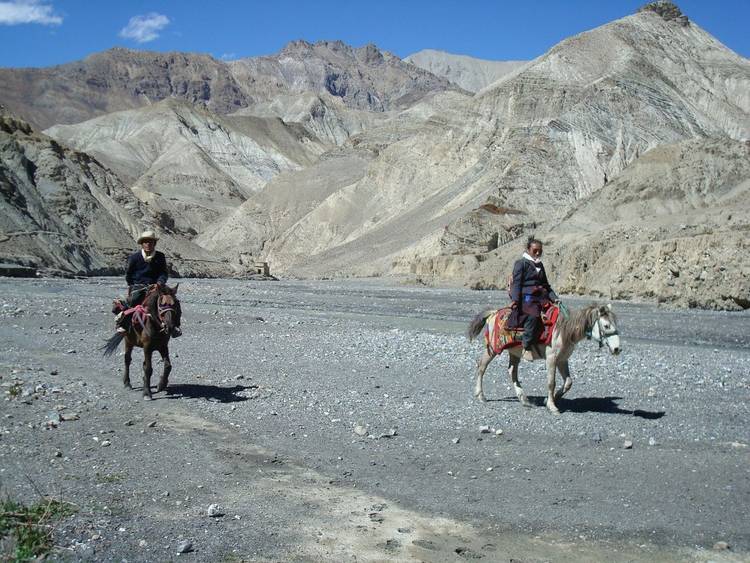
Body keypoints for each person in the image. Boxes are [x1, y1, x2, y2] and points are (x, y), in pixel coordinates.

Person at [115, 230, 181, 337]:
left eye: (150, 242)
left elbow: (163, 273)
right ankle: (123, 324)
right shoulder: (134, 257)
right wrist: (134, 285)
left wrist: (159, 282)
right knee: (132, 301)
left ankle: (175, 326)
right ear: (142, 244)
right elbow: (129, 274)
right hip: (139, 286)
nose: (148, 244)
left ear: (154, 244)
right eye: (145, 242)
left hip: (157, 286)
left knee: (174, 301)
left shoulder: (160, 256)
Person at [509, 237, 558, 361]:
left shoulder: (540, 264)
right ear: (528, 249)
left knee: (557, 313)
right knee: (534, 315)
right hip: (526, 298)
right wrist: (515, 300)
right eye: (535, 250)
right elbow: (516, 283)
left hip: (541, 297)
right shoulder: (521, 263)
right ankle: (526, 346)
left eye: (540, 251)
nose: (537, 253)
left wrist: (555, 299)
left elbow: (546, 285)